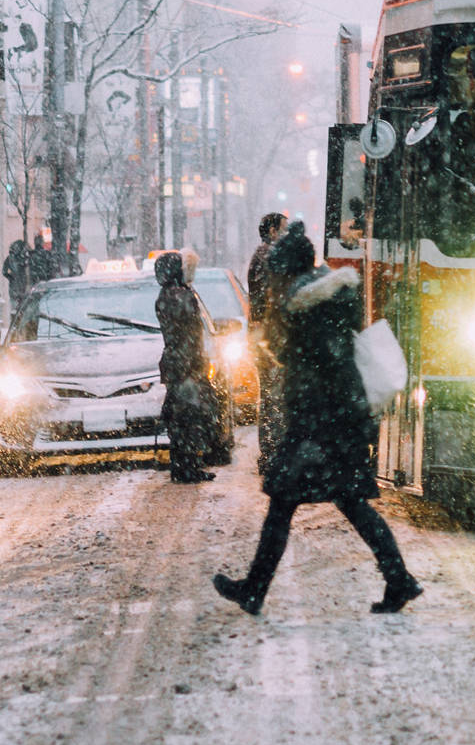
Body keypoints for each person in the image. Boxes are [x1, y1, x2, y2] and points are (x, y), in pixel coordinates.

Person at [213, 222, 420, 615]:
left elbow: (305, 365)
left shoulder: (307, 309)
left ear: (289, 271)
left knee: (288, 505)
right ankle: (399, 580)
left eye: (275, 274)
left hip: (320, 426)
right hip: (337, 422)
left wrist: (279, 333)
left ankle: (256, 589)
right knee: (348, 504)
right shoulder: (330, 299)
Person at [155, 251, 219, 484]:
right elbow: (192, 333)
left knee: (178, 418)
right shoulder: (182, 297)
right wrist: (198, 364)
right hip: (187, 364)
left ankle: (180, 465)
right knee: (191, 417)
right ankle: (189, 466)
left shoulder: (163, 296)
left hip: (174, 363)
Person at [247, 212, 291, 469]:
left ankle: (271, 453)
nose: (285, 234)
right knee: (275, 397)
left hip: (264, 337)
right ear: (273, 231)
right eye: (283, 229)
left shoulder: (261, 256)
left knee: (271, 397)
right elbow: (272, 298)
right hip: (269, 339)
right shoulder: (268, 257)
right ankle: (274, 455)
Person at [5, 239, 31, 310]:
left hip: (14, 288)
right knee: (24, 309)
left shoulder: (9, 258)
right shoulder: (25, 258)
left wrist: (11, 277)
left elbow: (4, 272)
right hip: (23, 287)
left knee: (14, 309)